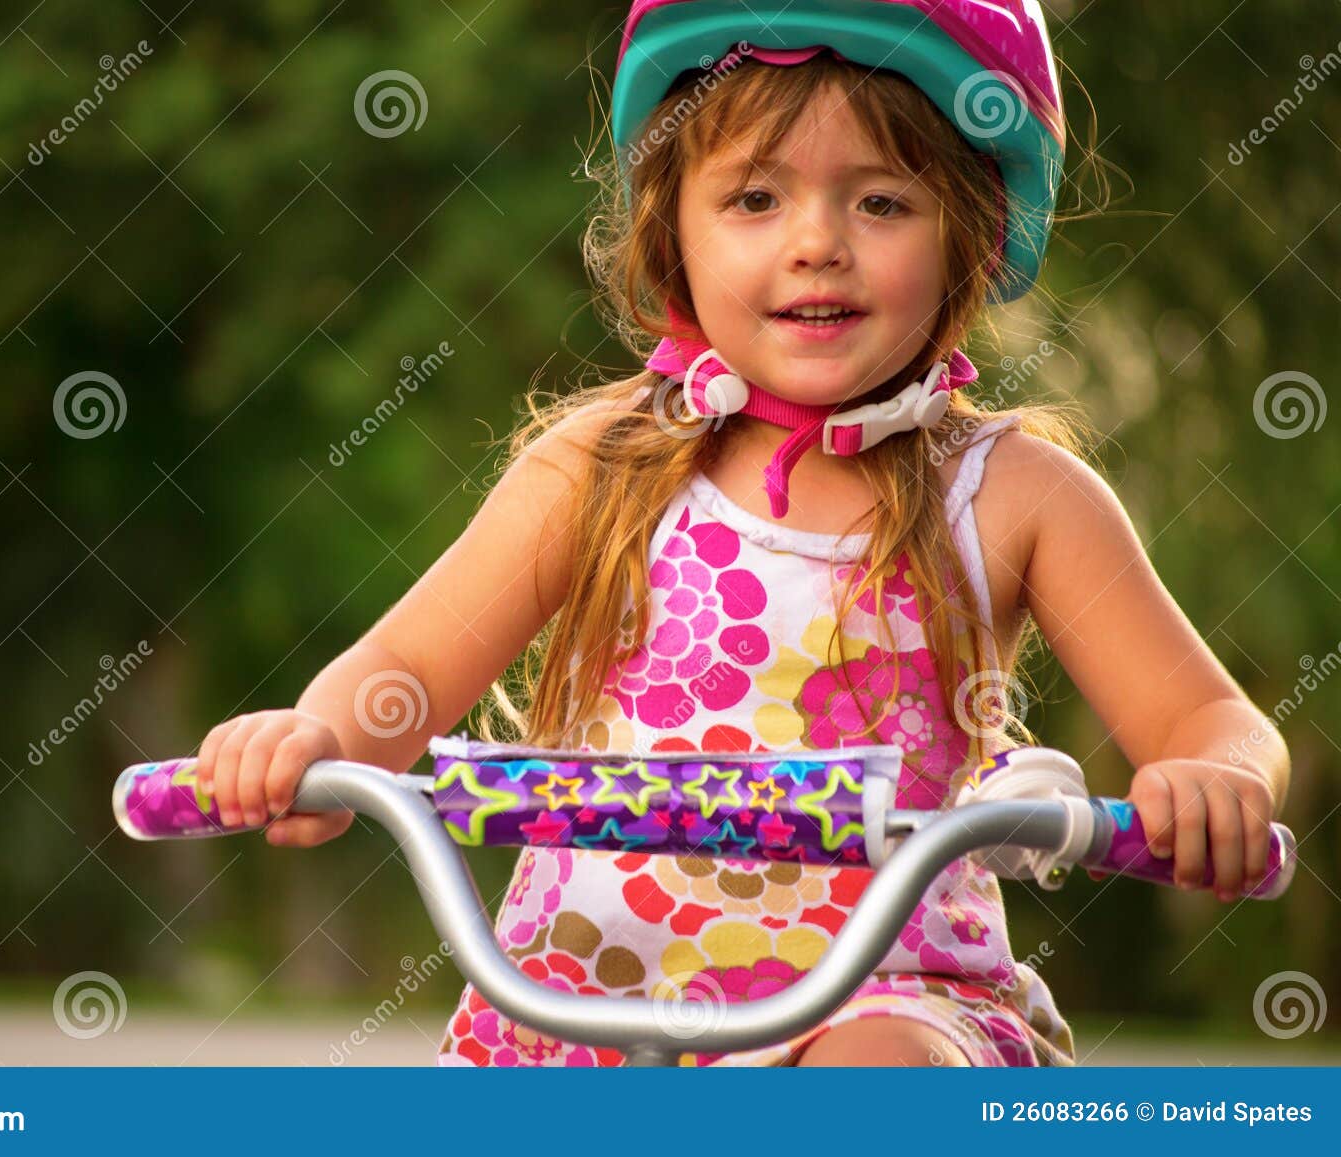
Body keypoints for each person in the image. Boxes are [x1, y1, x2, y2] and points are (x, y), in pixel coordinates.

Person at [194, 0, 1291, 1067]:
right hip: (584, 999)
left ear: (972, 224)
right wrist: (318, 740)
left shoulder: (1015, 493)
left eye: (881, 203)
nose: (817, 244)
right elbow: (403, 667)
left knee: (882, 1074)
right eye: (755, 198)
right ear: (673, 229)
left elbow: (1205, 715)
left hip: (880, 992)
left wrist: (1212, 776)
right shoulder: (596, 469)